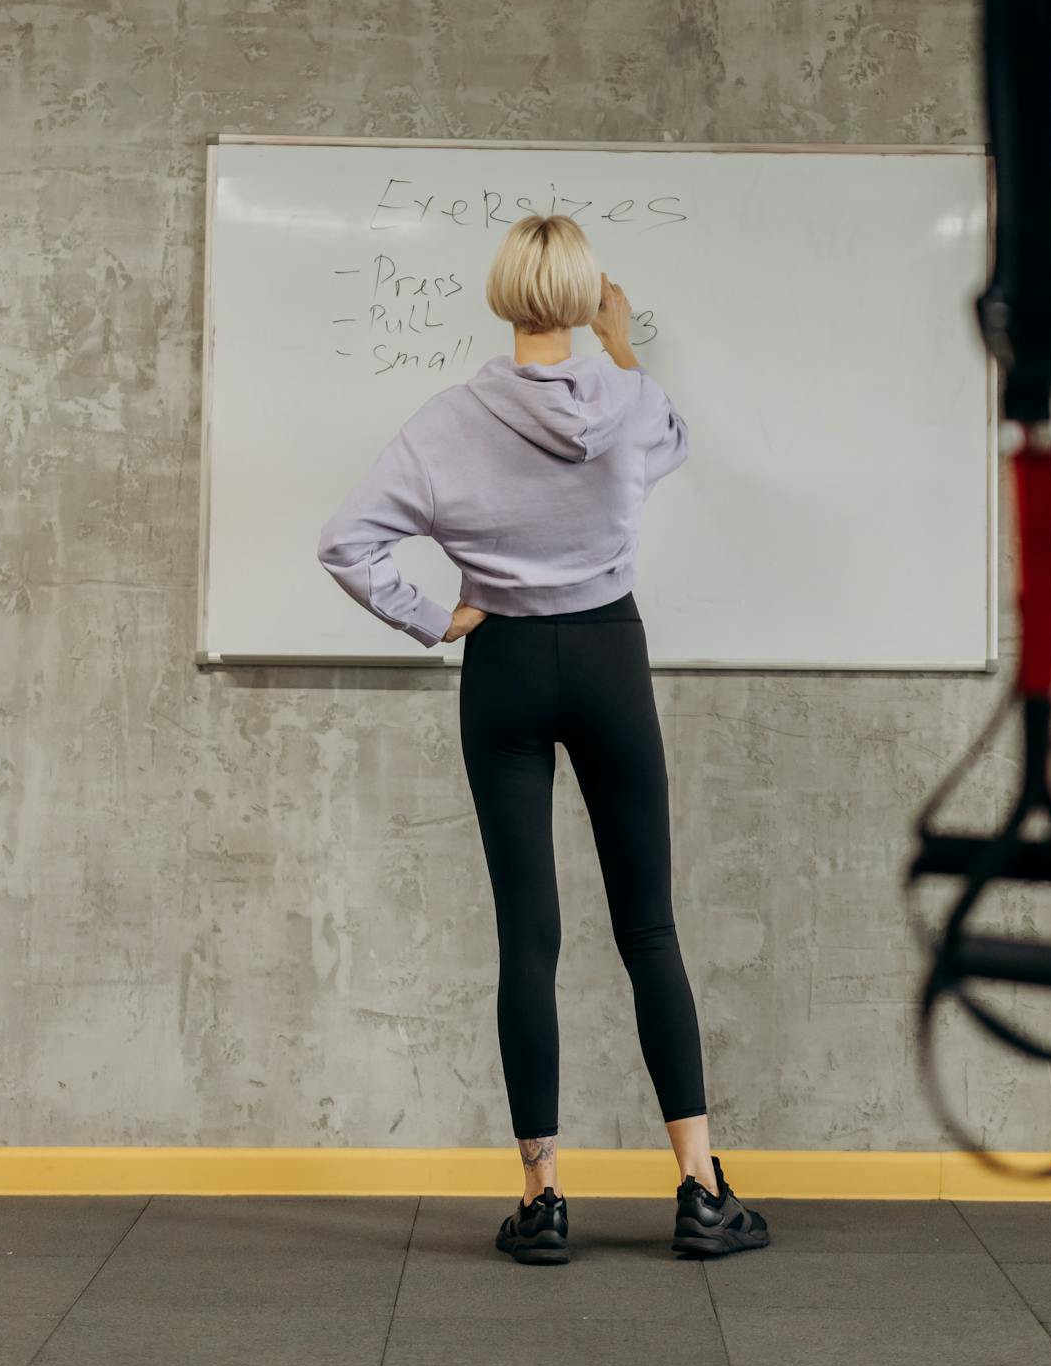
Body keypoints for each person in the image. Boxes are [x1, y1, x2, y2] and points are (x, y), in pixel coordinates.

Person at [317, 212, 768, 1265]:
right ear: (580, 295)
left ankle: (542, 1201)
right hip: (608, 657)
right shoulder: (628, 398)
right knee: (647, 929)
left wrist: (434, 616)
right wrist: (619, 347)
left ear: (501, 293)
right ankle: (699, 1191)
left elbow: (345, 541)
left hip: (506, 666)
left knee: (529, 936)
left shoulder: (444, 422)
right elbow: (669, 442)